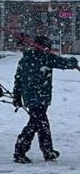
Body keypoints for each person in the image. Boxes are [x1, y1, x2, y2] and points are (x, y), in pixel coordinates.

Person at [11, 35, 78, 163]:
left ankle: (48, 151)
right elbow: (65, 63)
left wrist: (17, 96)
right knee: (35, 123)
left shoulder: (26, 58)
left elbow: (18, 79)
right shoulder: (46, 57)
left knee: (42, 124)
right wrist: (74, 61)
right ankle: (20, 151)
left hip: (29, 97)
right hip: (40, 97)